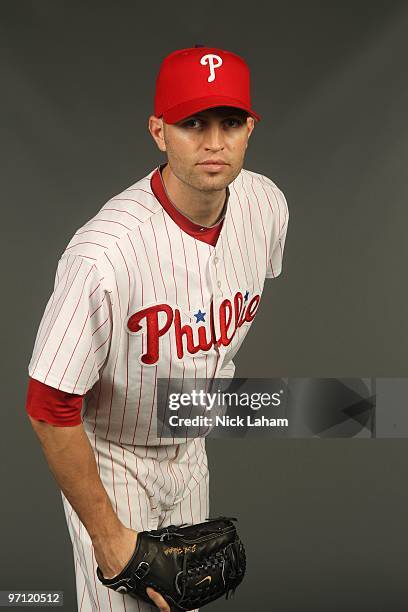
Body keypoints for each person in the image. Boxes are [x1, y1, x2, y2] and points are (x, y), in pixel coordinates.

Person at [25, 45, 289, 612]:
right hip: (112, 457)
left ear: (250, 129)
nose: (214, 141)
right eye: (192, 122)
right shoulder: (103, 255)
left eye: (230, 122)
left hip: (191, 449)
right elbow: (48, 405)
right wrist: (108, 537)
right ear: (158, 131)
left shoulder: (266, 207)